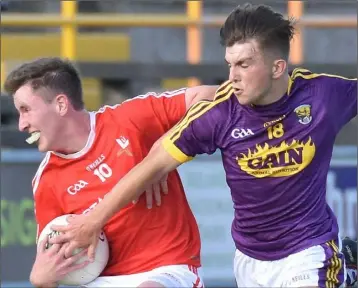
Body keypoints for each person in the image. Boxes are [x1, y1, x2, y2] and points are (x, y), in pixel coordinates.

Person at [50, 3, 357, 288]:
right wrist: (92, 222)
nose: (232, 77)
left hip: (310, 250)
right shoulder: (219, 113)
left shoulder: (323, 95)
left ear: (277, 68)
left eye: (244, 65)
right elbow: (155, 161)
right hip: (251, 261)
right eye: (230, 64)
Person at [4, 57, 219, 287]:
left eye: (26, 110)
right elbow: (51, 259)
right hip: (101, 281)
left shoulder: (129, 118)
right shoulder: (46, 180)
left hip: (166, 270)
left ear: (61, 105)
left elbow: (213, 95)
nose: (21, 124)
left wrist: (163, 151)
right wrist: (41, 278)